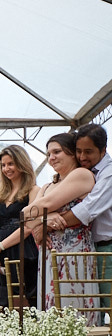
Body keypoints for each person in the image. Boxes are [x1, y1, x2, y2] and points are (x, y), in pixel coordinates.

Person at [24, 132, 97, 317]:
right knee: (51, 311)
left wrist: (42, 215)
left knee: (72, 309)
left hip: (73, 252)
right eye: (48, 154)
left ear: (72, 153)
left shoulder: (82, 175)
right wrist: (44, 219)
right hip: (49, 255)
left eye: (57, 152)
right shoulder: (47, 186)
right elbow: (26, 217)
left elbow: (43, 206)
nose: (52, 158)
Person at [42, 124, 112, 316]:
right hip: (94, 247)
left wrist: (47, 224)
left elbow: (85, 211)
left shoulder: (108, 173)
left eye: (88, 152)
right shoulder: (86, 172)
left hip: (107, 247)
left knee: (107, 305)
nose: (82, 157)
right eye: (79, 151)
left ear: (103, 150)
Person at [0, 145, 40, 308]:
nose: (6, 169)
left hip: (22, 250)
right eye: (3, 165)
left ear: (21, 164)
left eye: (11, 164)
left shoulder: (34, 190)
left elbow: (29, 227)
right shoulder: (0, 193)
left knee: (24, 301)